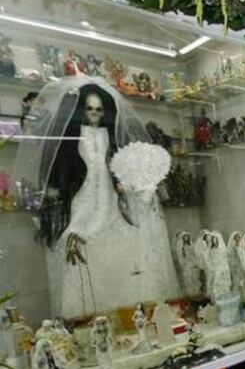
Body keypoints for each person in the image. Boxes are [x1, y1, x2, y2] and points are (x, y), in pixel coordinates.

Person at [17, 77, 180, 319]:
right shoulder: (74, 140)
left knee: (126, 263)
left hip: (112, 204)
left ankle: (130, 319)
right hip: (82, 205)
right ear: (82, 110)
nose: (94, 114)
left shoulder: (109, 138)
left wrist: (128, 185)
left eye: (98, 110)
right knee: (83, 263)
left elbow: (119, 170)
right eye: (89, 109)